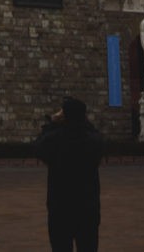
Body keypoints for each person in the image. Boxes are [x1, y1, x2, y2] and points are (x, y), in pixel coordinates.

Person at [35, 95, 103, 252]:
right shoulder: (92, 140)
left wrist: (52, 123)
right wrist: (83, 121)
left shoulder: (55, 139)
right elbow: (98, 136)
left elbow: (38, 146)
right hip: (87, 208)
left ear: (64, 115)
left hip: (60, 208)